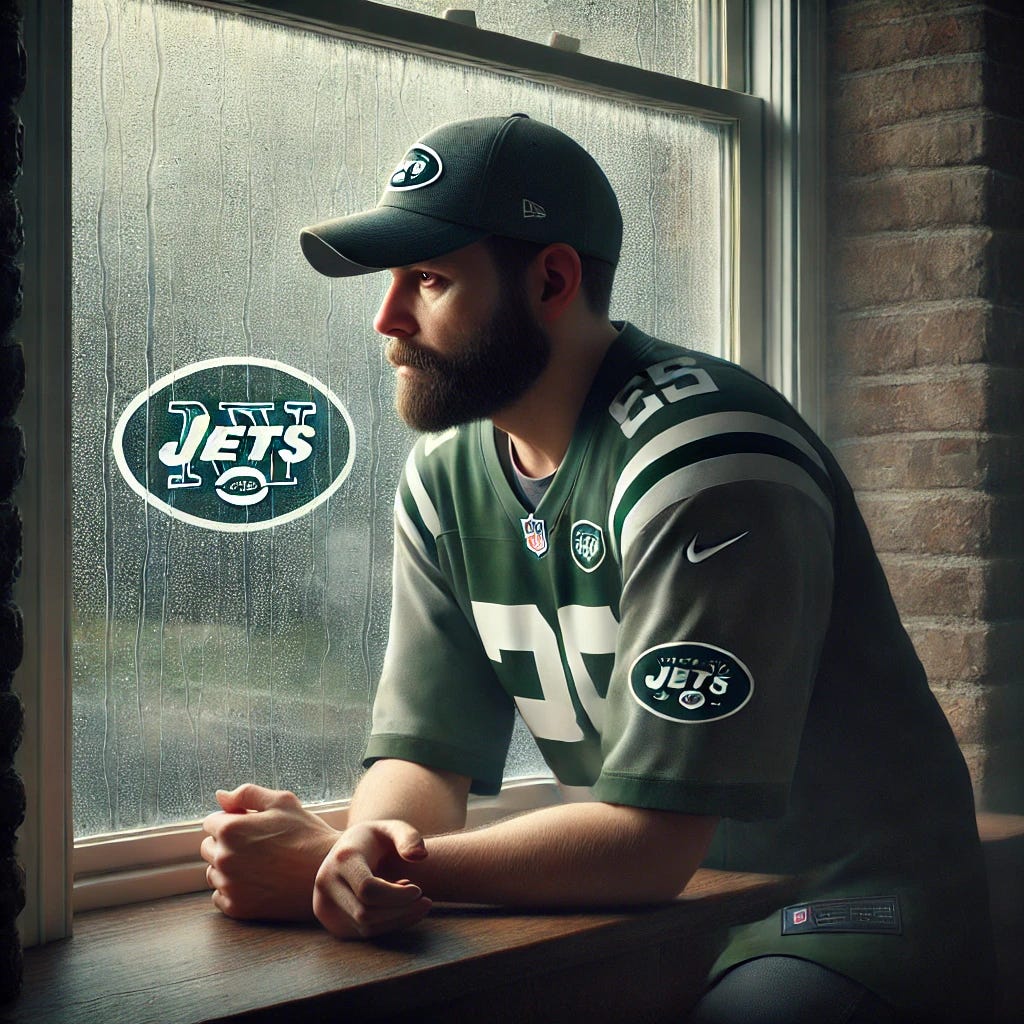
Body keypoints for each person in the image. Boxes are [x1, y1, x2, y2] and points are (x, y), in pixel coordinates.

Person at [201, 114, 996, 1022]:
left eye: (428, 279)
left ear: (551, 279)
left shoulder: (709, 458)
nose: (387, 321)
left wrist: (326, 858)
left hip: (839, 901)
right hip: (662, 905)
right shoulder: (446, 477)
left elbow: (652, 844)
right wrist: (369, 850)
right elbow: (423, 758)